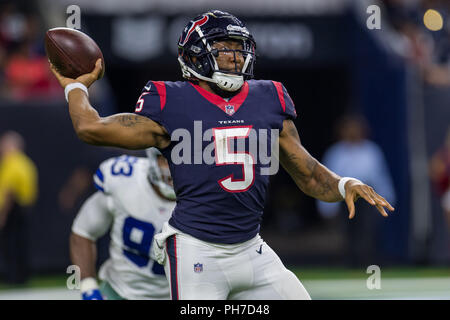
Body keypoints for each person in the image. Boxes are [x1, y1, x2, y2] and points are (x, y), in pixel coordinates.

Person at [50, 10, 394, 300]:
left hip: (252, 248)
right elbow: (91, 129)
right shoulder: (170, 100)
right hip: (196, 251)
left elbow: (307, 174)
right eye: (223, 48)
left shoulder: (269, 96)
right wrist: (76, 86)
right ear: (195, 54)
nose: (234, 56)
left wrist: (342, 184)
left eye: (238, 49)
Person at [70, 148, 176, 300]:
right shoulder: (125, 178)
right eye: (167, 159)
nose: (175, 166)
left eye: (183, 159)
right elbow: (83, 232)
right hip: (119, 292)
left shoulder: (207, 193)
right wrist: (88, 288)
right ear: (153, 157)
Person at [316, 115, 396, 266]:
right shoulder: (335, 153)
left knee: (368, 234)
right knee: (347, 235)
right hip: (343, 200)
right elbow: (325, 181)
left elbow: (380, 178)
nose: (352, 132)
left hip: (368, 200)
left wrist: (387, 199)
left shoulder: (371, 151)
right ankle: (349, 264)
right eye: (349, 129)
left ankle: (368, 264)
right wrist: (326, 207)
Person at [0, 131, 38, 284]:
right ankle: (20, 276)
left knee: (11, 244)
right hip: (23, 207)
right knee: (19, 243)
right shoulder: (26, 163)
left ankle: (14, 277)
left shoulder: (12, 163)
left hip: (13, 208)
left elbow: (10, 190)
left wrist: (3, 214)